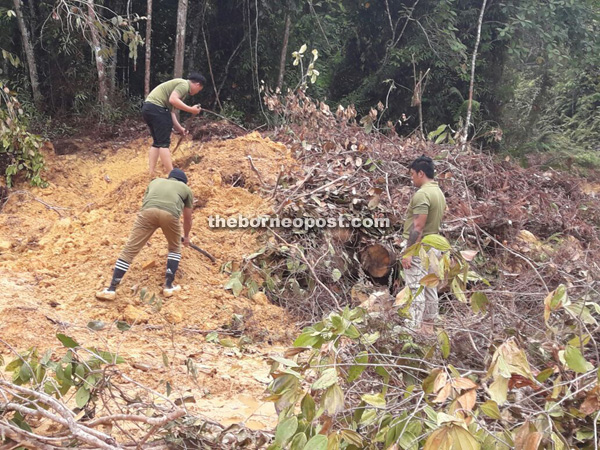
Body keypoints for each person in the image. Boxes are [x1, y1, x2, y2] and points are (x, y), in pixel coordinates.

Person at [96, 169, 193, 301]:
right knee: (174, 248)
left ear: (169, 178)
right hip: (170, 215)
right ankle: (168, 286)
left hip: (147, 213)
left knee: (129, 250)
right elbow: (187, 218)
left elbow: (147, 202)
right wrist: (186, 236)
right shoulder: (185, 188)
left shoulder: (155, 181)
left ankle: (111, 289)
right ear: (183, 182)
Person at [401, 155, 446, 334]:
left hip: (420, 248)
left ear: (421, 173)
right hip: (433, 246)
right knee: (430, 287)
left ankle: (411, 331)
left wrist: (408, 252)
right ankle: (428, 327)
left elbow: (418, 227)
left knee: (415, 288)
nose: (412, 178)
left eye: (412, 174)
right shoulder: (438, 193)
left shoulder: (423, 194)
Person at [142, 73, 206, 176]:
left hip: (148, 108)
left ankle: (151, 172)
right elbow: (173, 99)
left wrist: (180, 128)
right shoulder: (184, 85)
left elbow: (171, 112)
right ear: (198, 85)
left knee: (157, 142)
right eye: (199, 90)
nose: (197, 92)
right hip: (158, 108)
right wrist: (191, 109)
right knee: (164, 144)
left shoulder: (181, 87)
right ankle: (171, 174)